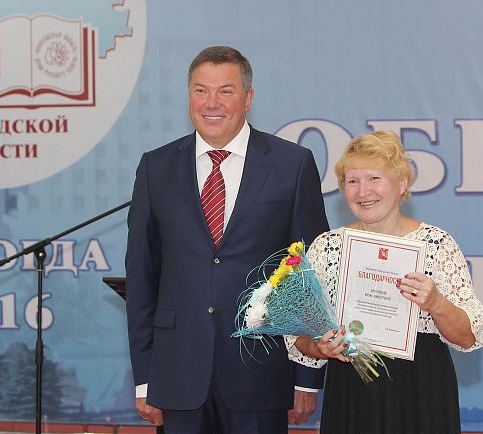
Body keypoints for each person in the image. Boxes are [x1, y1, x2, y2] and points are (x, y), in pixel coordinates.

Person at [124, 46, 329, 434]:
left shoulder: (292, 164)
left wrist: (306, 377)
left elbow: (309, 275)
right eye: (201, 90)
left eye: (225, 91)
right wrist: (145, 378)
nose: (211, 103)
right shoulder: (156, 167)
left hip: (262, 373)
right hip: (178, 374)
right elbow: (141, 278)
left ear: (248, 98)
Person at [290, 130, 483, 434]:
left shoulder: (436, 245)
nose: (363, 191)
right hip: (351, 390)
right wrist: (321, 346)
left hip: (422, 390)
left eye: (374, 178)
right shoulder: (327, 248)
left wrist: (435, 302)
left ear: (402, 183)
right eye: (352, 181)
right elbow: (300, 339)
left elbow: (467, 338)